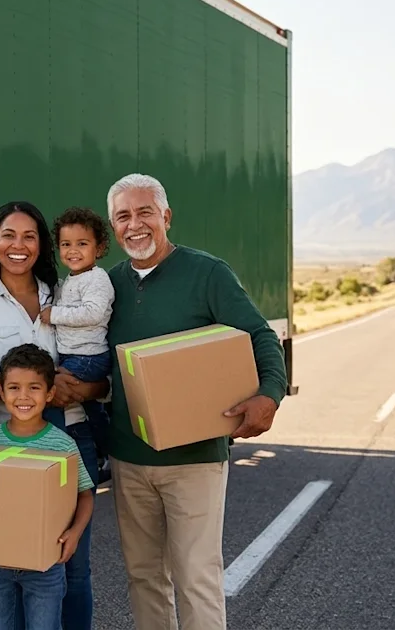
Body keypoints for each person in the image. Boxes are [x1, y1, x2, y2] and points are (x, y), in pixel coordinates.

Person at [103, 173, 288, 630]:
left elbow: (259, 334)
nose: (135, 224)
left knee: (196, 577)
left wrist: (270, 393)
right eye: (123, 216)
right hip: (129, 458)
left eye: (145, 212)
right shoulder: (108, 286)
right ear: (113, 228)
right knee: (144, 577)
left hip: (196, 459)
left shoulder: (207, 273)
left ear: (166, 217)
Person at [0, 200, 105, 630]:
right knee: (13, 563)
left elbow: (90, 352)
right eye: (9, 235)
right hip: (7, 447)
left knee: (70, 562)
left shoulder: (62, 294)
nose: (18, 245)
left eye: (30, 236)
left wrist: (84, 387)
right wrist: (26, 393)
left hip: (71, 435)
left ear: (43, 245)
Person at [0, 343, 95, 630]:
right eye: (14, 388)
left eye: (34, 388)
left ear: (50, 393)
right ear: (1, 392)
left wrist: (74, 533)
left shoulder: (61, 444)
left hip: (45, 566)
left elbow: (85, 494)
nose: (24, 396)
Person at [40, 207, 115, 460]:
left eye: (82, 243)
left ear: (100, 247)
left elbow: (92, 313)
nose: (73, 251)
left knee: (53, 394)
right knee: (92, 409)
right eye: (66, 244)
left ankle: (56, 448)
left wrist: (54, 315)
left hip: (88, 356)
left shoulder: (97, 279)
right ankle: (107, 451)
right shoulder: (70, 280)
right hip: (74, 354)